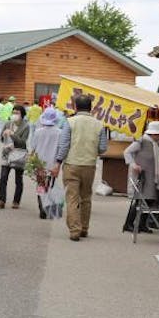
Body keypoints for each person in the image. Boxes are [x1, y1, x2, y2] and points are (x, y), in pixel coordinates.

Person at [52, 95, 108, 241]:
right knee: (86, 198)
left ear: (75, 107)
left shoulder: (69, 122)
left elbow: (63, 146)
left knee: (72, 198)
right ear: (92, 107)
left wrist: (58, 163)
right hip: (89, 165)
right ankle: (84, 228)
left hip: (71, 164)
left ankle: (74, 230)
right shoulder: (99, 124)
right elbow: (102, 148)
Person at [122, 121, 159, 233]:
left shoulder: (156, 144)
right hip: (143, 176)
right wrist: (133, 165)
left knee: (150, 201)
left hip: (152, 176)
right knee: (139, 201)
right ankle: (128, 224)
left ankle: (142, 224)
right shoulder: (141, 141)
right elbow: (127, 152)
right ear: (153, 134)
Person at [0, 105, 30, 209]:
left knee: (18, 179)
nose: (14, 115)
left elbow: (23, 143)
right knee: (3, 177)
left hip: (19, 154)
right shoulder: (8, 124)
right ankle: (1, 200)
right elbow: (2, 138)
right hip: (6, 153)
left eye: (17, 113)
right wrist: (4, 135)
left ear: (22, 115)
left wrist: (13, 134)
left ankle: (16, 201)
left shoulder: (26, 126)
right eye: (13, 112)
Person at [29, 107, 62, 219]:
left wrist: (30, 160)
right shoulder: (59, 133)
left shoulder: (38, 132)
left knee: (40, 185)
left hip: (39, 163)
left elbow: (33, 148)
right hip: (52, 163)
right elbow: (60, 149)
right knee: (50, 186)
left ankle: (41, 207)